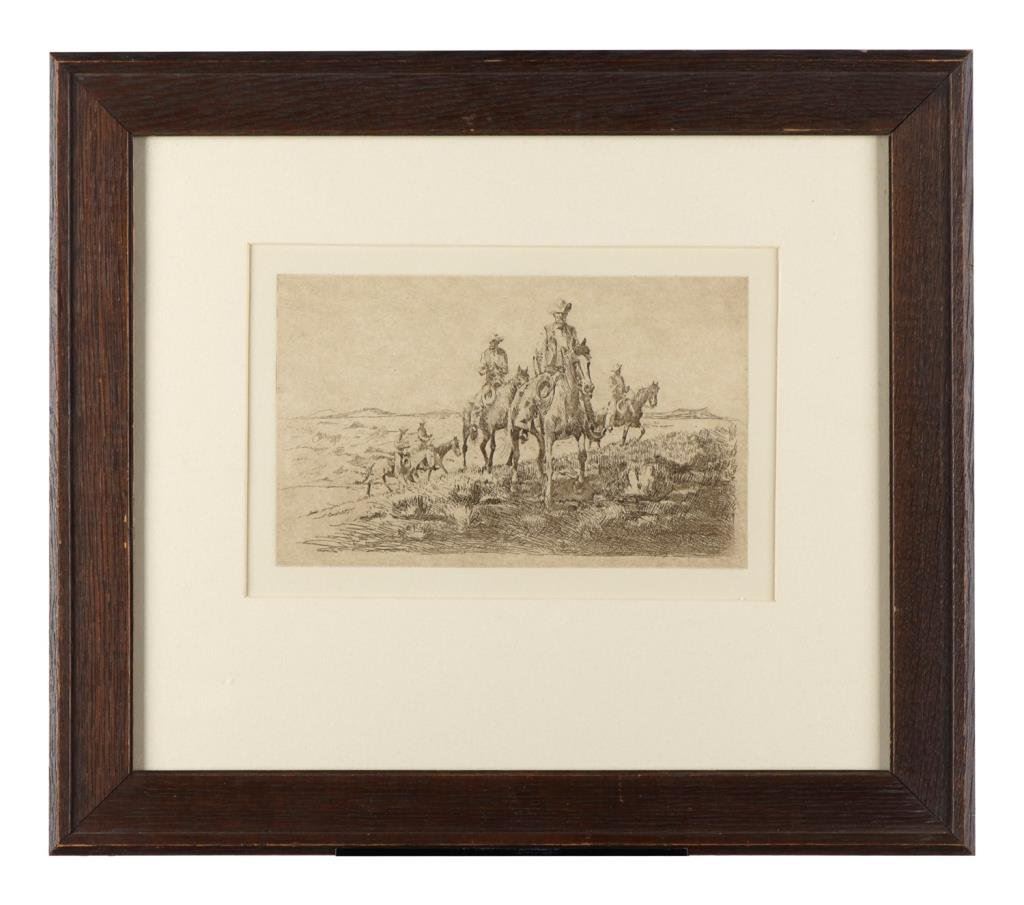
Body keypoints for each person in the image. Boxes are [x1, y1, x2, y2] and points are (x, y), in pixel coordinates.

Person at [533, 299, 598, 432]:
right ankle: (536, 424)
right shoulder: (546, 330)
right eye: (559, 313)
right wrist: (541, 372)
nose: (561, 316)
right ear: (554, 315)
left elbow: (577, 348)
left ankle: (591, 426)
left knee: (584, 392)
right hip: (551, 371)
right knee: (542, 394)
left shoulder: (572, 330)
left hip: (571, 370)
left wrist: (580, 351)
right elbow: (539, 352)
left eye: (564, 314)